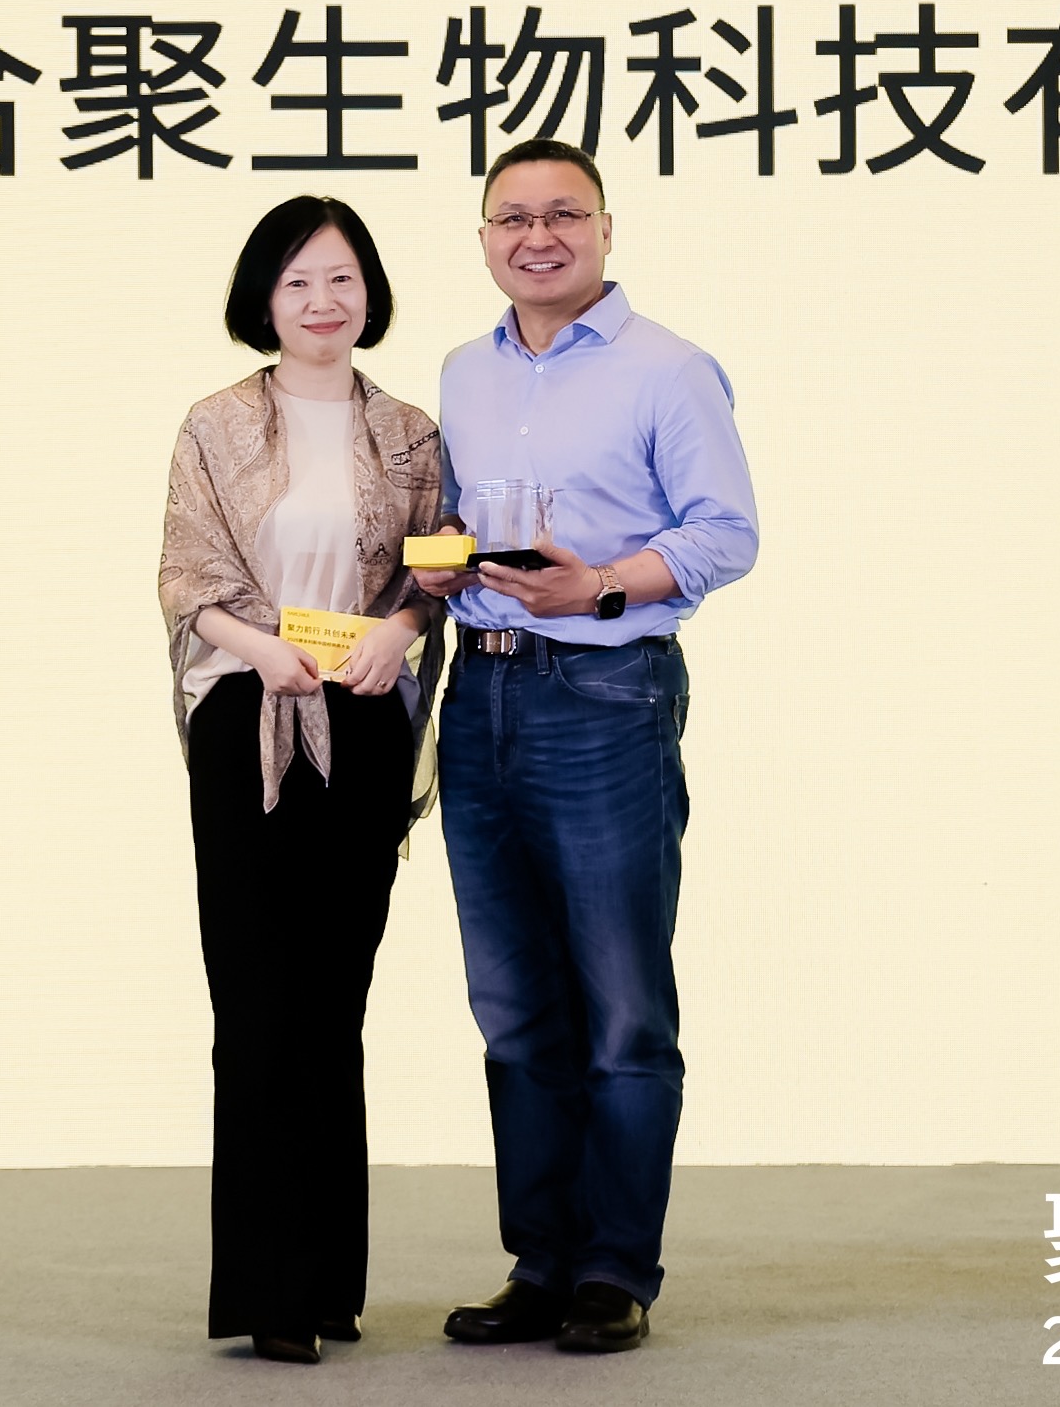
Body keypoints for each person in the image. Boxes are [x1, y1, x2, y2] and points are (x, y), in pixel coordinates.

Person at [411, 138, 760, 1355]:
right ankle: (541, 1261)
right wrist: (443, 560)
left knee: (620, 1003)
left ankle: (614, 1266)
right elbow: (457, 519)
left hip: (606, 694)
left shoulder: (668, 368)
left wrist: (600, 583)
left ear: (607, 228)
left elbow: (727, 532)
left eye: (564, 213)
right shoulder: (463, 371)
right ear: (483, 238)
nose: (538, 236)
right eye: (513, 217)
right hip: (481, 694)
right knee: (513, 1005)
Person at [158, 195, 450, 1366]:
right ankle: (268, 1290)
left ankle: (330, 1284)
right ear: (262, 300)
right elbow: (186, 575)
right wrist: (263, 647)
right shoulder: (215, 422)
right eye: (296, 282)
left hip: (366, 715)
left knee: (335, 1000)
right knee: (255, 1001)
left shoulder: (411, 433)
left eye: (340, 278)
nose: (322, 300)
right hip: (251, 717)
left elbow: (437, 568)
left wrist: (402, 629)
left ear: (369, 291)